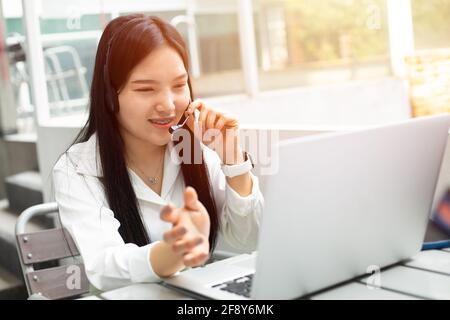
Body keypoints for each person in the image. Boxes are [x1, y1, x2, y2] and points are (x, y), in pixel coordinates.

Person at [52, 14, 264, 292]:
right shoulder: (76, 169)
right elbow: (104, 266)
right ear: (109, 94)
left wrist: (234, 161)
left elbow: (249, 240)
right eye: (146, 89)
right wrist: (174, 251)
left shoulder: (196, 147)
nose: (167, 105)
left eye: (179, 85)